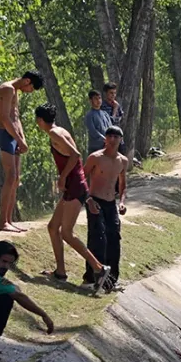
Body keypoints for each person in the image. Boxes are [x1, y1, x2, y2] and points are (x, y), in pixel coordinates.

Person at [35, 104, 111, 290]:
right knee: (53, 227)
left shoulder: (55, 133)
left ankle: (99, 268)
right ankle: (60, 271)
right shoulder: (58, 130)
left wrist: (62, 177)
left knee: (67, 233)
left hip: (75, 186)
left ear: (40, 120)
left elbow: (75, 155)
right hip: (72, 185)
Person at [0, 70, 43, 232]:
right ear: (27, 81)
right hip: (6, 135)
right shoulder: (6, 89)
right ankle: (2, 222)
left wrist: (22, 139)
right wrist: (19, 139)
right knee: (11, 176)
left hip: (14, 137)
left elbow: (16, 117)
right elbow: (5, 118)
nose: (30, 91)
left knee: (15, 179)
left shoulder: (15, 91)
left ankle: (9, 219)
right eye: (32, 88)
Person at [82, 126, 128, 289]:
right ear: (105, 139)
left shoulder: (123, 160)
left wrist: (121, 202)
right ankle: (91, 278)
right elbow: (82, 178)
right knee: (97, 239)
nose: (113, 139)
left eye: (117, 136)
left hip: (111, 204)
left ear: (121, 139)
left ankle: (111, 280)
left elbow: (122, 185)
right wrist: (88, 199)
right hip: (95, 201)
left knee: (114, 239)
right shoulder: (95, 157)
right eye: (110, 136)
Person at [84, 89, 112, 155]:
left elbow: (111, 128)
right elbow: (93, 131)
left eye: (99, 98)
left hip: (107, 147)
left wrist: (111, 139)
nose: (98, 100)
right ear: (91, 101)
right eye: (96, 99)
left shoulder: (105, 114)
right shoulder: (89, 115)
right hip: (95, 148)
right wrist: (105, 139)